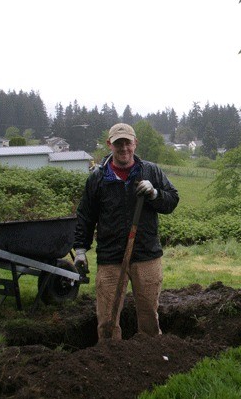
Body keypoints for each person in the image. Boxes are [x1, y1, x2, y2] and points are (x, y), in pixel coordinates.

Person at [73, 123, 179, 341]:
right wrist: (81, 249)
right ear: (109, 144)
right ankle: (110, 361)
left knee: (149, 316)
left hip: (146, 255)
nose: (123, 148)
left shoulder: (150, 171)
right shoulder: (98, 178)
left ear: (135, 144)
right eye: (118, 143)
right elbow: (86, 215)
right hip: (110, 258)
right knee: (107, 321)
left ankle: (150, 358)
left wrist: (155, 193)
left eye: (127, 143)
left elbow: (172, 201)